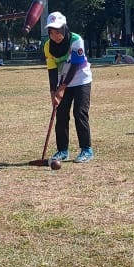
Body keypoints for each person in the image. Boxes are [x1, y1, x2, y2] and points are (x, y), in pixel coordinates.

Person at [42, 11, 94, 163]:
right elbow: (52, 70)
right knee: (61, 114)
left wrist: (62, 88)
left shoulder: (76, 40)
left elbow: (75, 66)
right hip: (63, 81)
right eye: (51, 32)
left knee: (80, 112)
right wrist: (53, 92)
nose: (55, 36)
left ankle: (86, 150)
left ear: (64, 28)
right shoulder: (48, 46)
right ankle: (62, 151)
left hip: (81, 79)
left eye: (58, 31)